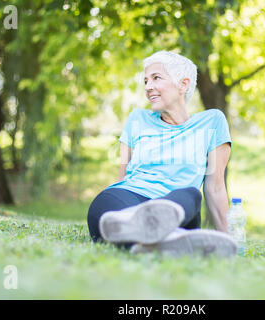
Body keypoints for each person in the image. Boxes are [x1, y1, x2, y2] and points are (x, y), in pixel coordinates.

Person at [87, 50, 237, 257]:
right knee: (108, 204)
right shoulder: (137, 119)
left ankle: (154, 232)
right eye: (146, 81)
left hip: (178, 206)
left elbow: (216, 187)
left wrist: (227, 241)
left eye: (156, 78)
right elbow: (122, 175)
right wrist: (116, 205)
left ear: (183, 84)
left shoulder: (212, 122)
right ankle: (162, 241)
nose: (148, 87)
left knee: (191, 194)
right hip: (130, 198)